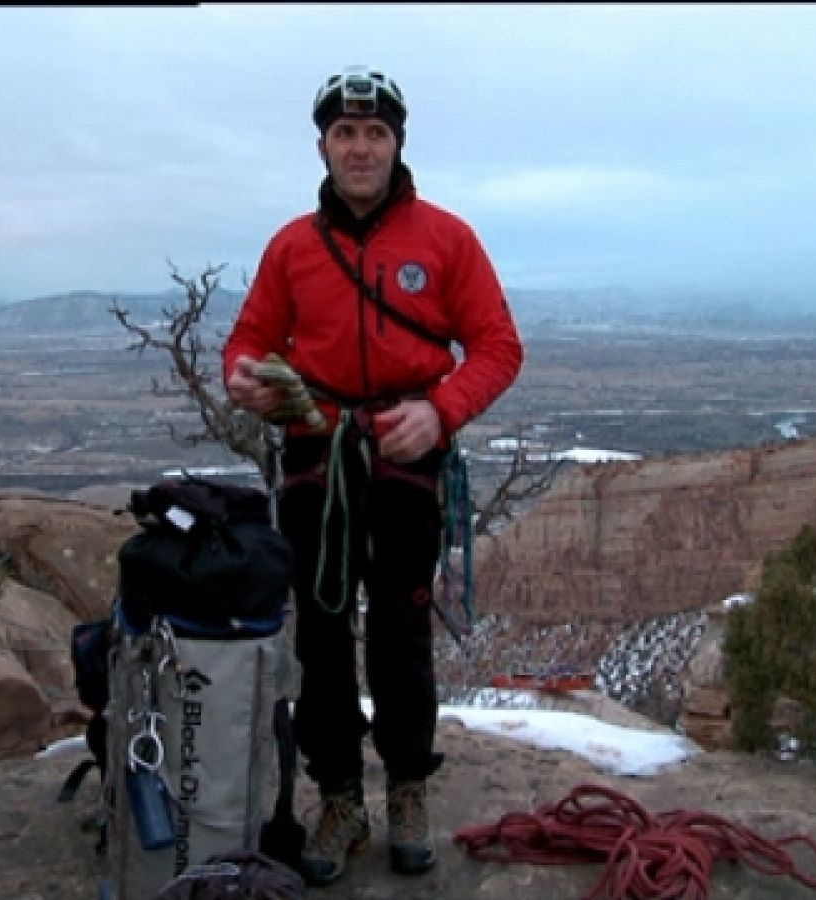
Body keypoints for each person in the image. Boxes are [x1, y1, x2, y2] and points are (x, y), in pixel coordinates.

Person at [222, 65, 524, 887]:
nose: (360, 148)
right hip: (318, 456)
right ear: (323, 144)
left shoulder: (446, 240)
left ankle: (409, 790)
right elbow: (247, 340)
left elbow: (497, 346)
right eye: (345, 133)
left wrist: (442, 412)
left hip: (405, 458)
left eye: (375, 133)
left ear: (397, 143)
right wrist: (244, 376)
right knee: (320, 636)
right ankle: (341, 798)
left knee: (400, 633)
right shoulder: (292, 247)